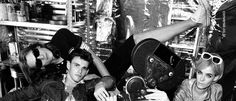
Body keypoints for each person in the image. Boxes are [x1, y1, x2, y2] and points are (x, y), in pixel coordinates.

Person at [19, 0, 210, 85]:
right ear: (39, 67)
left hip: (104, 71)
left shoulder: (61, 37)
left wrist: (107, 79)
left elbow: (92, 56)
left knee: (135, 41)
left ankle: (193, 21)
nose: (39, 57)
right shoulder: (51, 76)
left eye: (35, 53)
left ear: (37, 46)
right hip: (94, 91)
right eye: (36, 62)